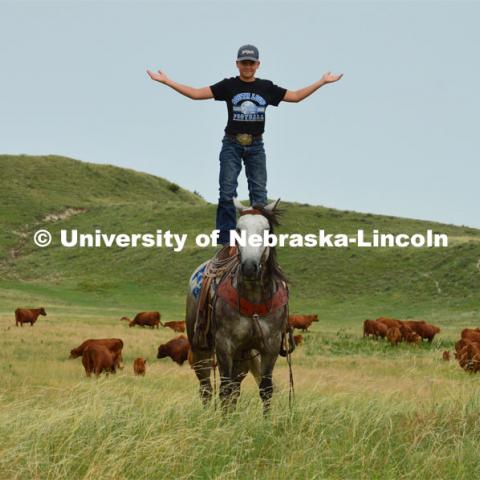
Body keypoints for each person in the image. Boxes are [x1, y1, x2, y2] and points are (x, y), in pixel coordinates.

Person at [147, 44, 342, 254]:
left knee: (260, 198)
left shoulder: (266, 87)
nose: (247, 66)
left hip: (256, 146)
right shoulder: (228, 86)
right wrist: (167, 81)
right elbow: (196, 94)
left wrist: (322, 82)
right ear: (237, 64)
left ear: (258, 65)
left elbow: (295, 96)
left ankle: (263, 243)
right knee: (227, 192)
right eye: (244, 63)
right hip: (231, 144)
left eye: (251, 63)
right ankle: (227, 242)